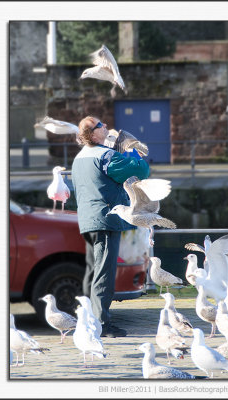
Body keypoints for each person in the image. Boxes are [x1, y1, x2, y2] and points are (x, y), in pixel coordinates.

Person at [71, 116, 150, 337]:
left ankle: (86, 319)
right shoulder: (106, 156)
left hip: (87, 220)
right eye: (100, 125)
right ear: (93, 134)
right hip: (105, 220)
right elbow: (141, 171)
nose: (105, 126)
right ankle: (102, 324)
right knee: (104, 272)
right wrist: (133, 154)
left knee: (92, 270)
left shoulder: (79, 158)